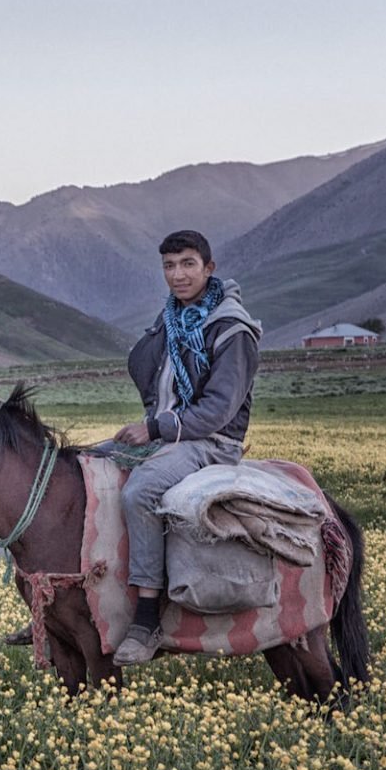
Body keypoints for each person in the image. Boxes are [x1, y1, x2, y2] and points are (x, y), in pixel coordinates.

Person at [109, 230, 262, 665]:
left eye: (188, 264)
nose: (177, 275)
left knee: (141, 491)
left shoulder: (232, 328)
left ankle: (146, 619)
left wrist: (155, 428)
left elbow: (216, 410)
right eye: (169, 266)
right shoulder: (172, 319)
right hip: (171, 435)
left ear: (209, 268)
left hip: (210, 443)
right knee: (87, 464)